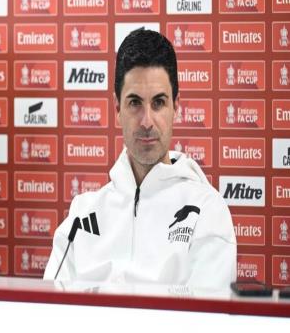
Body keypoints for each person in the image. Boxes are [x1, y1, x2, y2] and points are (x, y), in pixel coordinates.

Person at [44, 29, 237, 289]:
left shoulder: (207, 211)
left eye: (158, 103)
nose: (147, 121)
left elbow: (207, 313)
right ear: (117, 108)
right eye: (135, 103)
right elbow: (51, 305)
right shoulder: (82, 215)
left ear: (176, 107)